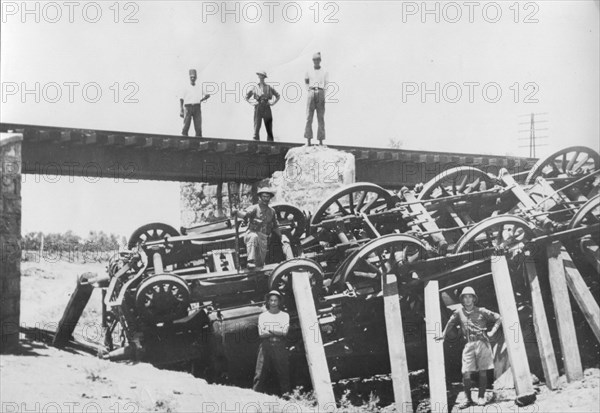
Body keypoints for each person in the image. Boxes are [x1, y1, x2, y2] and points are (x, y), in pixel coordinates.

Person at [435, 287, 502, 409]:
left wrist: (492, 332)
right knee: (465, 372)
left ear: (474, 298)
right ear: (462, 299)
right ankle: (467, 399)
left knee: (483, 371)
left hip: (482, 343)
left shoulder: (481, 311)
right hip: (469, 344)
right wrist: (443, 334)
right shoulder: (459, 312)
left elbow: (498, 317)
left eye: (470, 296)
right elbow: (450, 322)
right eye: (465, 297)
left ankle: (481, 397)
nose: (467, 299)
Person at [231, 188, 282, 269]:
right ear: (260, 197)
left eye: (267, 197)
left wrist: (280, 237)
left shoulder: (272, 211)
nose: (265, 199)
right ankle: (250, 261)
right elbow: (245, 214)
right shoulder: (254, 208)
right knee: (253, 237)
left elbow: (275, 226)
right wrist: (237, 213)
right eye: (264, 197)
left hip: (263, 238)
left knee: (260, 264)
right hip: (252, 234)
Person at [253, 290, 290, 395]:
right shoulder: (263, 316)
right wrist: (276, 330)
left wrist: (269, 328)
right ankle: (255, 398)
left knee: (283, 373)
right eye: (271, 300)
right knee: (259, 374)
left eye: (275, 300)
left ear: (279, 302)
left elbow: (284, 332)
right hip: (266, 346)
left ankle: (287, 398)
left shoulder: (284, 315)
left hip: (280, 346)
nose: (273, 303)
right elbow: (261, 333)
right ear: (268, 302)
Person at [245, 71, 280, 141]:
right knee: (257, 125)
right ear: (258, 77)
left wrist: (272, 103)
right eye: (260, 76)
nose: (261, 77)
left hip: (266, 106)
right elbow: (247, 97)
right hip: (258, 106)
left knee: (269, 126)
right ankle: (255, 141)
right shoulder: (255, 87)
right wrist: (252, 103)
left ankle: (270, 142)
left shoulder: (268, 87)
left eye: (262, 76)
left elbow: (278, 96)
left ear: (264, 77)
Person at [304, 52, 329, 146]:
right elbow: (306, 81)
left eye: (318, 60)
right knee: (309, 117)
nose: (316, 62)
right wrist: (309, 91)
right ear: (312, 61)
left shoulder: (325, 71)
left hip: (321, 92)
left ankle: (321, 140)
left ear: (320, 60)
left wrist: (322, 93)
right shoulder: (308, 70)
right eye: (314, 60)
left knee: (320, 117)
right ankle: (308, 139)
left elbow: (326, 83)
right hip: (311, 92)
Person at [180, 69, 210, 137]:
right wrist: (181, 110)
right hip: (188, 107)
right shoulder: (185, 86)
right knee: (186, 125)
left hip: (197, 107)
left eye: (194, 77)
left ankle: (198, 140)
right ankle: (184, 138)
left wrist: (201, 100)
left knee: (198, 126)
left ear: (196, 77)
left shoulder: (199, 86)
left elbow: (207, 95)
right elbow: (181, 98)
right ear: (189, 77)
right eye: (191, 77)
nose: (193, 78)